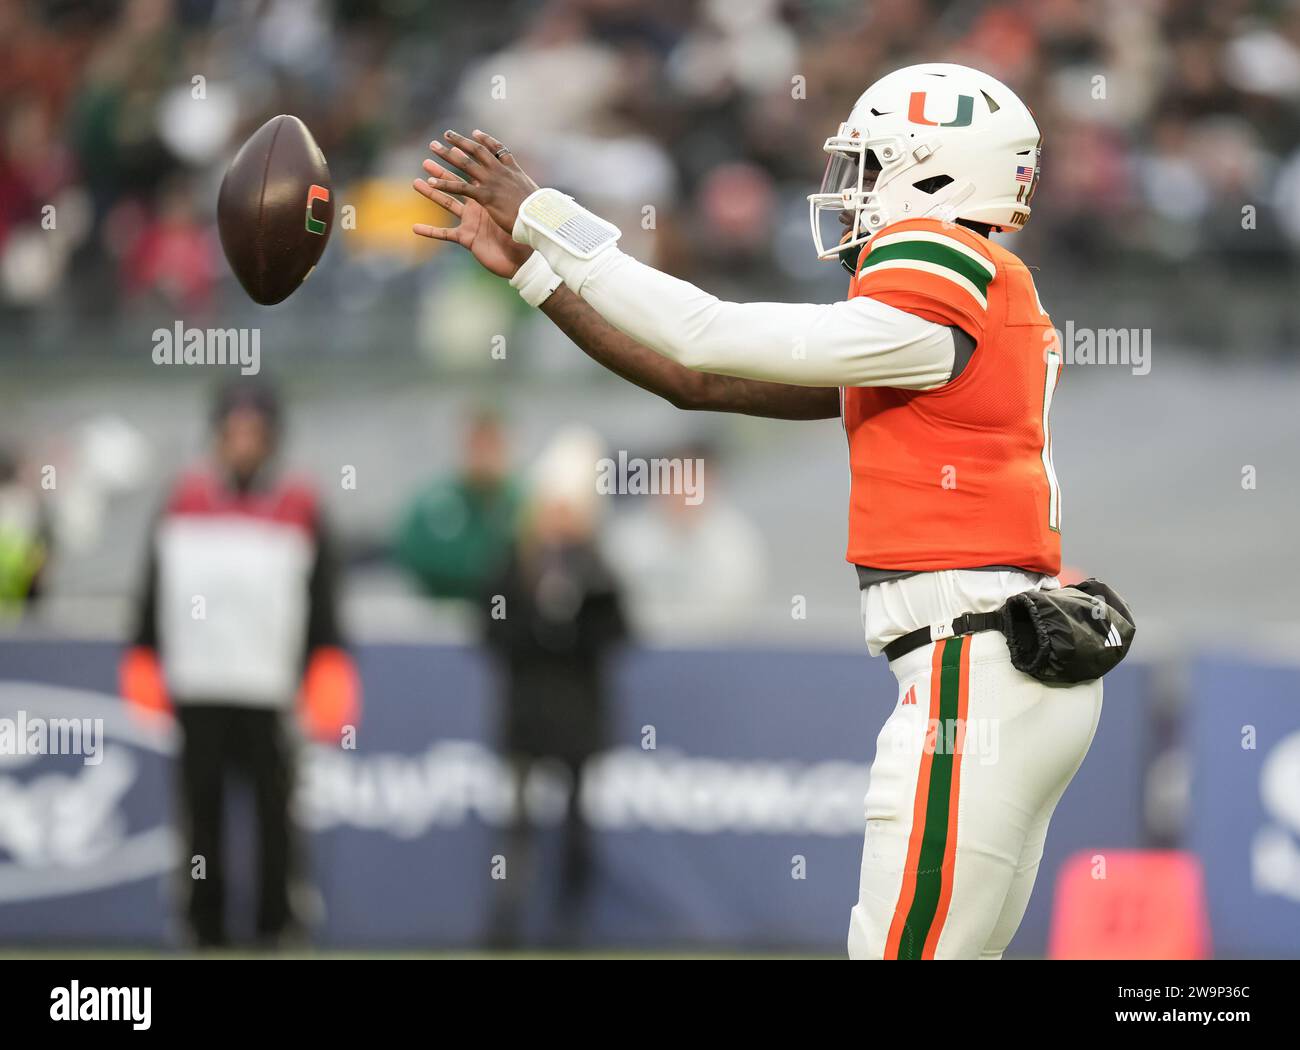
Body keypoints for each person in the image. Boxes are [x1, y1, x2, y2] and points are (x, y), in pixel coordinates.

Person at [412, 63, 1107, 960]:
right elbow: (696, 380)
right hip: (1000, 664)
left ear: (935, 175)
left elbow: (705, 330)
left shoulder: (948, 277)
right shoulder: (960, 316)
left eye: (871, 167)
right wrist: (540, 279)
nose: (850, 191)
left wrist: (548, 212)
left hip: (970, 667)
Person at [119, 378, 359, 948]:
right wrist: (144, 654)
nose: (244, 442)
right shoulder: (183, 498)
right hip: (199, 684)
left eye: (255, 431)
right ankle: (205, 925)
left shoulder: (299, 504)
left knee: (275, 815)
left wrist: (326, 665)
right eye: (236, 430)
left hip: (270, 686)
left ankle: (275, 924)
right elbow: (154, 590)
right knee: (201, 815)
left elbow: (323, 599)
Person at [479, 426, 628, 947]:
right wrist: (542, 627)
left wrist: (573, 620)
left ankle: (571, 927)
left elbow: (617, 633)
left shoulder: (597, 569)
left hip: (577, 716)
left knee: (575, 827)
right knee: (517, 824)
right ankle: (506, 923)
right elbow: (491, 630)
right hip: (527, 712)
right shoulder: (517, 565)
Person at [391, 408, 523, 602]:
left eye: (492, 443)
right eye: (477, 444)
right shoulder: (432, 504)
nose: (484, 455)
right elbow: (412, 555)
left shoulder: (528, 503)